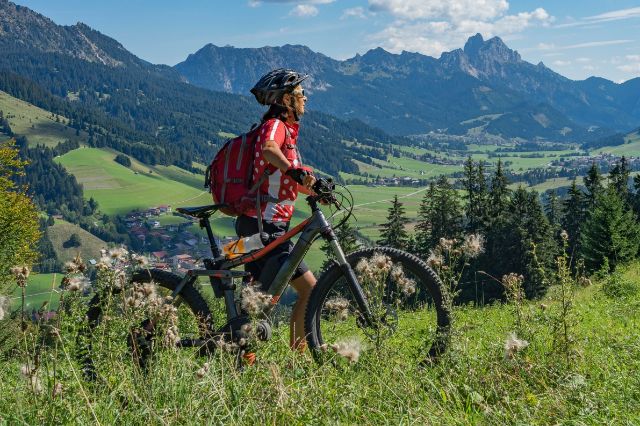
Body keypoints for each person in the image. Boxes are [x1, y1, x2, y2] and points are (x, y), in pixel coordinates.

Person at [236, 68, 317, 351]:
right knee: (307, 290)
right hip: (264, 227)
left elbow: (285, 179)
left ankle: (238, 357)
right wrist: (293, 170)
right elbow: (270, 150)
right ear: (286, 99)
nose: (305, 98)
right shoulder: (275, 126)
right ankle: (300, 356)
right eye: (300, 94)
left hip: (265, 226)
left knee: (255, 300)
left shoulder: (288, 132)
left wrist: (314, 188)